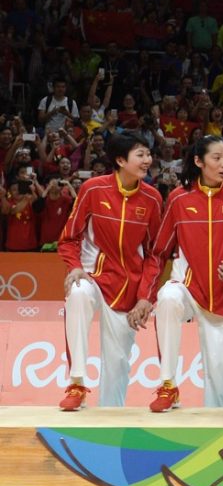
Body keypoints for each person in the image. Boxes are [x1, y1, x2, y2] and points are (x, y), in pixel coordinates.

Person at [58, 133, 163, 410]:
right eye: (140, 154)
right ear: (120, 160)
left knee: (117, 363)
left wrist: (145, 297)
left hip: (128, 289)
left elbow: (155, 255)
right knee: (77, 293)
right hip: (92, 277)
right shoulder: (93, 189)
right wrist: (76, 267)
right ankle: (77, 383)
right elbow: (69, 238)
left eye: (148, 154)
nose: (147, 160)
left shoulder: (152, 198)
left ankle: (112, 418)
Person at [150, 135, 223, 411]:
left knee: (219, 382)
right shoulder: (179, 199)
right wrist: (145, 295)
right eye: (216, 158)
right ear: (198, 161)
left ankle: (216, 433)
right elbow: (160, 250)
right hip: (188, 288)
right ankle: (168, 385)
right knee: (168, 298)